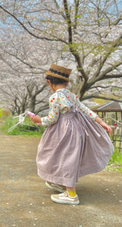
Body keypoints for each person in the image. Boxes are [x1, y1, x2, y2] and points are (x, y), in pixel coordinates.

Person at [30, 64, 114, 205]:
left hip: (62, 132)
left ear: (49, 83)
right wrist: (101, 122)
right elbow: (86, 110)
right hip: (76, 130)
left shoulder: (55, 97)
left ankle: (71, 194)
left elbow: (52, 119)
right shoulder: (72, 95)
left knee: (59, 157)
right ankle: (57, 182)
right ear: (67, 83)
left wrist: (38, 120)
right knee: (64, 157)